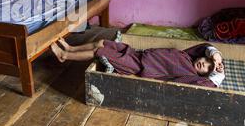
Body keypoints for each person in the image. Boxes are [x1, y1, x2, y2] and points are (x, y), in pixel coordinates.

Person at [51, 38, 225, 88]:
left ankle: (64, 56)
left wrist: (217, 71)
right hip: (138, 54)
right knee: (102, 42)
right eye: (206, 61)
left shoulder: (190, 75)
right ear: (201, 56)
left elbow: (211, 83)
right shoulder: (188, 55)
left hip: (137, 66)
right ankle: (72, 48)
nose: (205, 65)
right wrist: (215, 55)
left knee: (99, 52)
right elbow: (206, 47)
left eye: (208, 69)